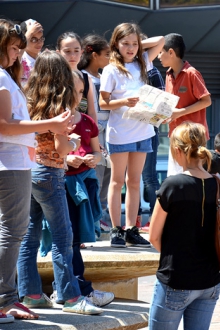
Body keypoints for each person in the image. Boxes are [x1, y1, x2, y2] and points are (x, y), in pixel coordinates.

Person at [16, 50, 102, 315]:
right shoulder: (60, 106)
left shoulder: (28, 99)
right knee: (64, 237)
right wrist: (75, 142)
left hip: (30, 170)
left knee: (28, 238)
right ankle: (70, 297)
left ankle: (30, 294)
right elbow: (61, 146)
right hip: (51, 173)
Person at [0, 18, 73, 322]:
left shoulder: (7, 78)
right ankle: (5, 299)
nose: (19, 53)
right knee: (13, 233)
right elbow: (4, 126)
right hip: (11, 164)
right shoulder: (3, 79)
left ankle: (10, 297)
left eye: (19, 48)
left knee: (17, 234)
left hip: (18, 163)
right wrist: (52, 125)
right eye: (14, 47)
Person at [49, 70, 114, 307]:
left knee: (74, 238)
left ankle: (71, 289)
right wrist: (67, 161)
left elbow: (97, 151)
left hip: (83, 185)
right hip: (60, 183)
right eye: (72, 90)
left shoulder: (87, 121)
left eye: (80, 91)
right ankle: (75, 289)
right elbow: (49, 152)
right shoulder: (55, 118)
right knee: (67, 238)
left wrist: (94, 158)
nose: (77, 96)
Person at [148, 122, 220, 330]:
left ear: (177, 150)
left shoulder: (173, 185)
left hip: (176, 279)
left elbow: (153, 236)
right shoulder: (217, 184)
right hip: (210, 281)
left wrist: (176, 255)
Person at [99, 22, 164, 248]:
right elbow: (102, 102)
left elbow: (161, 40)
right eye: (125, 43)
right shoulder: (110, 69)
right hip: (119, 133)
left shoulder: (143, 61)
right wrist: (123, 102)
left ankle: (131, 229)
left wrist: (136, 42)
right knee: (117, 182)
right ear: (116, 44)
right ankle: (116, 229)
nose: (130, 48)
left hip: (143, 130)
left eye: (134, 44)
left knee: (134, 182)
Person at [157, 33, 211, 177]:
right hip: (175, 136)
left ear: (171, 52)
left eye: (160, 52)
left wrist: (180, 112)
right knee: (175, 178)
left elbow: (207, 101)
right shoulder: (168, 74)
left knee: (193, 179)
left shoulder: (192, 73)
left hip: (194, 139)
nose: (158, 56)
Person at [78, 34, 112, 231]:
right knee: (96, 177)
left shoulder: (105, 76)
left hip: (110, 134)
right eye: (106, 54)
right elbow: (83, 108)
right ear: (93, 54)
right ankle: (92, 221)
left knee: (108, 176)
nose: (109, 58)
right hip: (93, 134)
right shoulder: (83, 77)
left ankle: (102, 216)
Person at [137, 32, 165, 231]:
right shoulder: (127, 71)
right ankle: (136, 219)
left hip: (148, 130)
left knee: (148, 176)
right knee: (132, 178)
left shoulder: (152, 73)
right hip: (129, 130)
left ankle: (155, 220)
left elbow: (162, 110)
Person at [56, 31, 97, 123]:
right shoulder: (54, 77)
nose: (73, 55)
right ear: (58, 53)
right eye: (67, 51)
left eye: (76, 51)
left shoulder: (87, 79)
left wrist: (94, 134)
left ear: (81, 52)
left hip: (82, 129)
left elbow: (91, 112)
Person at [19, 18, 43, 86]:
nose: (39, 43)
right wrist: (30, 33)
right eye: (33, 39)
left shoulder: (45, 57)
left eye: (41, 38)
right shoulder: (19, 58)